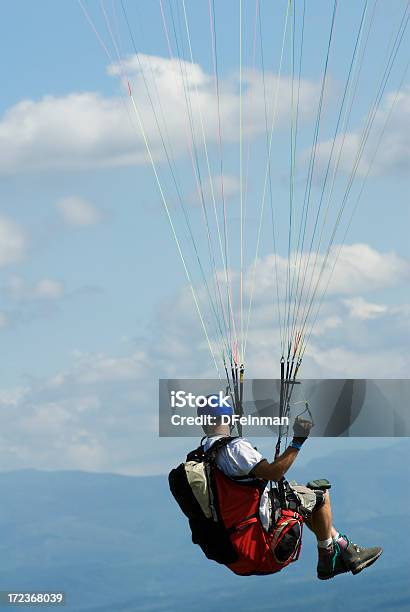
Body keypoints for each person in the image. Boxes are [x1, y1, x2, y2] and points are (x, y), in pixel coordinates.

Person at [199, 394, 382, 580]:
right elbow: (273, 473)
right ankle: (328, 558)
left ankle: (346, 549)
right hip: (262, 532)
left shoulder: (204, 453)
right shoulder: (235, 449)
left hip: (236, 544)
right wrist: (297, 441)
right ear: (229, 417)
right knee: (320, 496)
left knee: (301, 494)